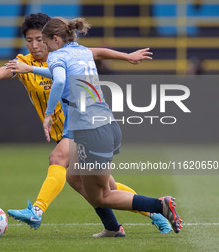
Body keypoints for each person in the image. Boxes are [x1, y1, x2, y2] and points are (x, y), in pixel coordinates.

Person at [0, 13, 172, 236]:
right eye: (29, 40)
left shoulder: (66, 56)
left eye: (39, 40)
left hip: (82, 126)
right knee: (93, 184)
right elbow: (0, 73)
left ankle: (37, 211)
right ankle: (141, 216)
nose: (34, 45)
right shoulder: (24, 62)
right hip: (68, 132)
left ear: (51, 38)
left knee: (57, 158)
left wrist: (126, 56)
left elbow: (96, 52)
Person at [36, 16, 182, 235]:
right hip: (105, 125)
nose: (45, 48)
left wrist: (48, 114)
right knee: (74, 177)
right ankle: (113, 228)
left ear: (56, 39)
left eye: (46, 43)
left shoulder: (57, 56)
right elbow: (100, 52)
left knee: (102, 195)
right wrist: (128, 56)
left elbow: (58, 80)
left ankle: (160, 205)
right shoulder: (81, 52)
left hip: (89, 131)